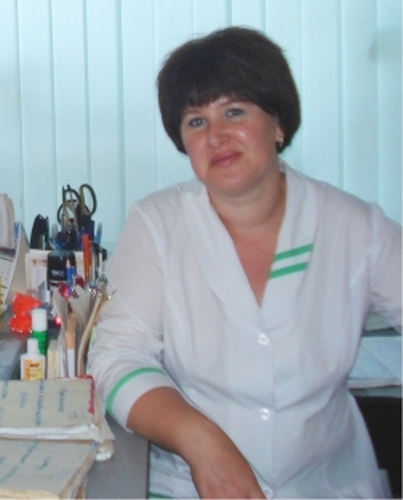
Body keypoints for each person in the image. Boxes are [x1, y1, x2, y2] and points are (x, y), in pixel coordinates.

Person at [88, 26, 401, 498]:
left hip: (328, 484)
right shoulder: (158, 223)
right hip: (190, 484)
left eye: (234, 111)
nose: (216, 136)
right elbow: (116, 356)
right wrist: (201, 441)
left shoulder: (356, 227)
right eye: (196, 121)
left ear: (278, 124)